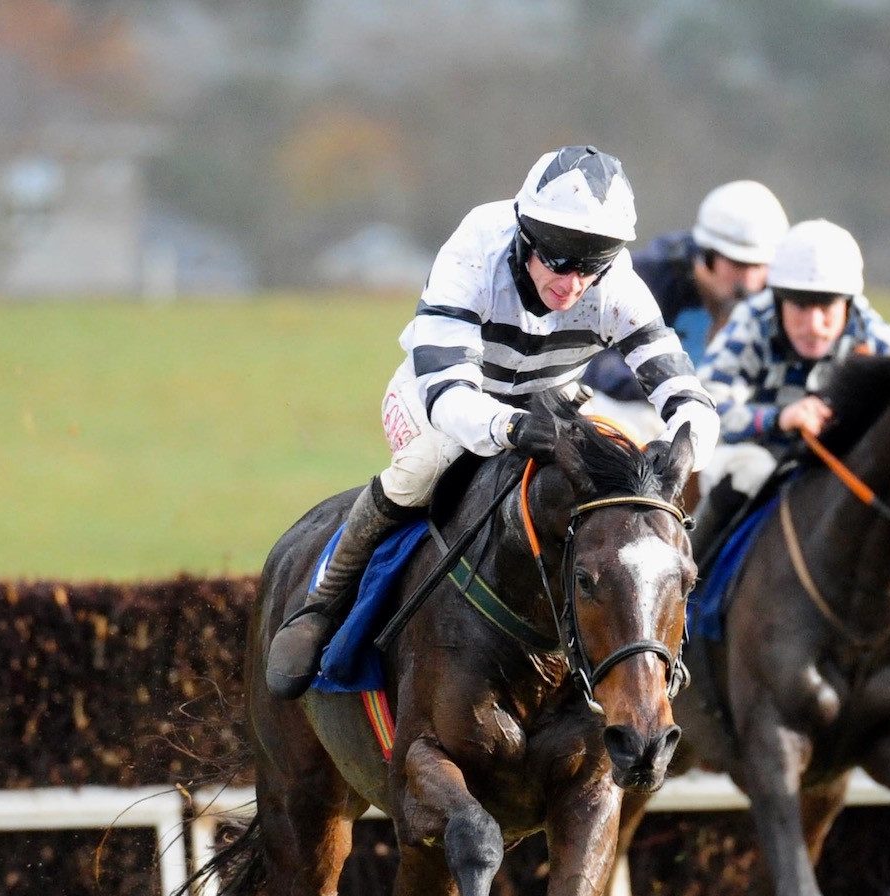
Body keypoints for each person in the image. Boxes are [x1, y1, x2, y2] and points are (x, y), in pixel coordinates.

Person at [264, 145, 722, 700]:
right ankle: (322, 605)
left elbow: (682, 387)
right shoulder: (474, 250)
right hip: (441, 394)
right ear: (526, 237)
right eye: (560, 261)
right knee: (423, 466)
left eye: (591, 265)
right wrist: (508, 427)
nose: (573, 284)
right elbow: (448, 393)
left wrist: (686, 443)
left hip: (551, 402)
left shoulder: (616, 283)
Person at [695, 218, 890, 684]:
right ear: (779, 299)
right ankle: (689, 606)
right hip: (757, 450)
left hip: (836, 466)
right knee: (740, 478)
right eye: (799, 308)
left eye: (826, 308)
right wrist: (778, 418)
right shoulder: (751, 322)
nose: (814, 324)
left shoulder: (878, 337)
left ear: (848, 303)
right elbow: (705, 402)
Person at [582, 178, 790, 412]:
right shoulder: (651, 278)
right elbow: (596, 357)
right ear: (707, 254)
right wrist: (669, 388)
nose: (751, 282)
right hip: (646, 413)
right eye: (739, 264)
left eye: (761, 266)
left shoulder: (780, 297)